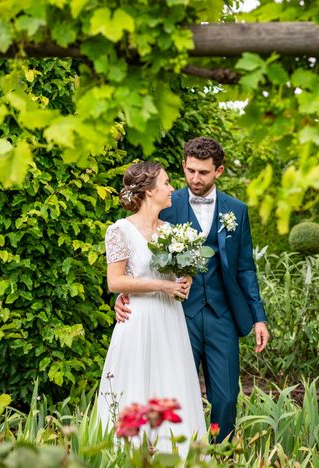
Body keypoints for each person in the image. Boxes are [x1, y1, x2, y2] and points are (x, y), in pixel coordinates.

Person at [115, 137, 269, 441]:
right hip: (176, 314)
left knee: (226, 398)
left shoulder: (236, 211)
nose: (194, 179)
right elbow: (135, 256)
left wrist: (258, 317)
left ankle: (220, 454)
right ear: (184, 165)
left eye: (203, 172)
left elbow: (245, 268)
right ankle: (178, 455)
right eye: (190, 171)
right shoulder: (166, 205)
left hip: (222, 314)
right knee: (174, 391)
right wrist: (123, 296)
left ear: (219, 171)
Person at [97, 161, 207, 454]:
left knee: (172, 384)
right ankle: (128, 460)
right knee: (135, 388)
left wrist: (184, 282)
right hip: (138, 320)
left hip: (170, 321)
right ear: (148, 190)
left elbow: (177, 278)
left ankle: (176, 459)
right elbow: (115, 281)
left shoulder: (172, 231)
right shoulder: (120, 230)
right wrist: (163, 286)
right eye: (167, 183)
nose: (172, 188)